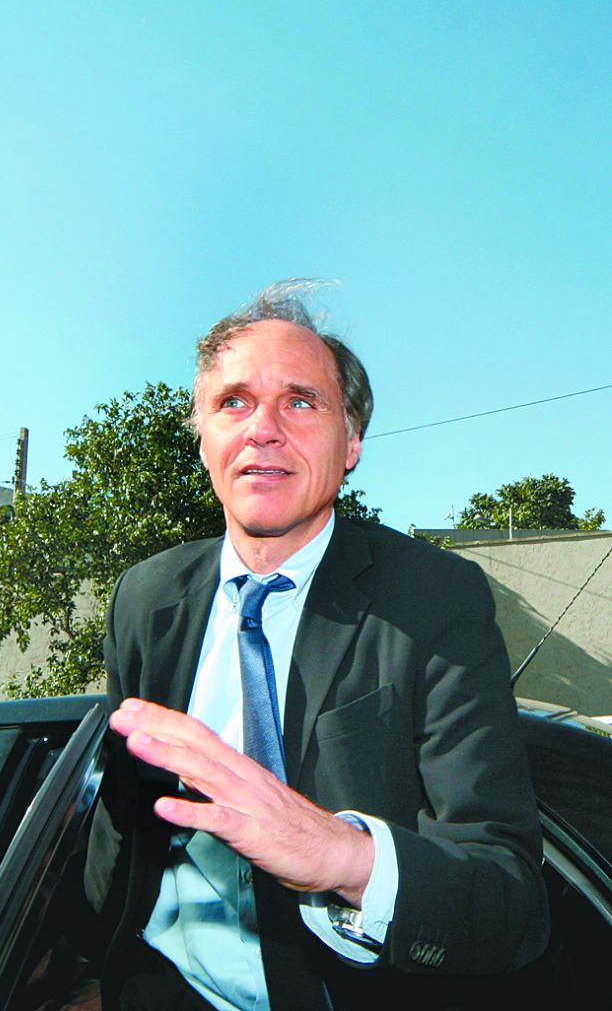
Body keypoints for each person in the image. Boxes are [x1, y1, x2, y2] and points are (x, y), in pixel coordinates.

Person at [80, 281, 549, 1011]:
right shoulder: (145, 598)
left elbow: (510, 900)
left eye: (300, 402)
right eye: (233, 402)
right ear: (202, 438)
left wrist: (342, 857)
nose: (263, 429)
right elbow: (117, 827)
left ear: (352, 441)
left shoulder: (435, 601)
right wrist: (88, 968)